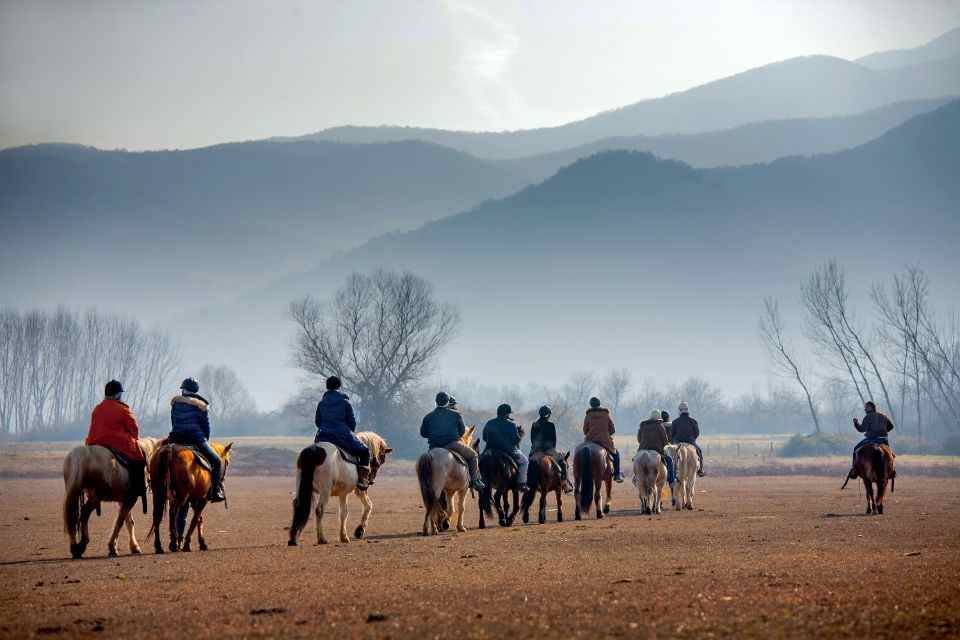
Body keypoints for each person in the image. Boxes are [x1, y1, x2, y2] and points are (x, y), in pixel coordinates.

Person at [85, 380, 146, 503]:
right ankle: (139, 488)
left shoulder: (97, 409)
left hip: (94, 442)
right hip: (117, 443)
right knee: (140, 460)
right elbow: (134, 430)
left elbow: (93, 427)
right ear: (118, 394)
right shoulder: (123, 410)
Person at [168, 377, 226, 502]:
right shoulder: (201, 406)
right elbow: (206, 427)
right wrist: (205, 440)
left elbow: (173, 422)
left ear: (183, 389)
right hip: (195, 438)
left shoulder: (175, 403)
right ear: (195, 391)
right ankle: (215, 491)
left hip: (176, 437)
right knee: (217, 461)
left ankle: (150, 483)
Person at [313, 376, 372, 490]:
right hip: (342, 436)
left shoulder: (321, 403)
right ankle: (361, 480)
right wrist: (348, 431)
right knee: (364, 451)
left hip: (323, 436)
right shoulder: (345, 402)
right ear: (339, 387)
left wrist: (325, 427)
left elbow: (317, 422)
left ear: (327, 387)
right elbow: (352, 423)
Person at [420, 391, 484, 491]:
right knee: (473, 455)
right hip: (452, 444)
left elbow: (423, 433)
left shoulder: (428, 416)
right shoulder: (456, 415)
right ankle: (475, 481)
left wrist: (434, 435)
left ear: (436, 402)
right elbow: (462, 431)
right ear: (447, 402)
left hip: (434, 447)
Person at [482, 404, 529, 492]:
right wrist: (520, 436)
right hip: (508, 451)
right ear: (507, 414)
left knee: (479, 461)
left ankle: (476, 480)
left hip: (490, 450)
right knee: (525, 462)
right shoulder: (511, 424)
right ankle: (522, 484)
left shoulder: (489, 422)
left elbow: (484, 437)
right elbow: (516, 440)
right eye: (508, 414)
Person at [848, 401, 895, 479]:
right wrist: (883, 431)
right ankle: (892, 471)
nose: (865, 409)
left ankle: (854, 470)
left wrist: (856, 423)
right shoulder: (883, 416)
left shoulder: (868, 417)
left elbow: (862, 429)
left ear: (871, 408)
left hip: (871, 440)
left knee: (856, 449)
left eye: (866, 407)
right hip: (883, 440)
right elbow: (891, 426)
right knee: (891, 454)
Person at [582, 397, 623, 482]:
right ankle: (617, 475)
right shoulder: (605, 414)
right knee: (616, 455)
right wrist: (607, 434)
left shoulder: (588, 415)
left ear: (591, 405)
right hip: (604, 441)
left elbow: (585, 430)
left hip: (590, 440)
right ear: (599, 404)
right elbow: (612, 429)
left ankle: (580, 474)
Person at [529, 405, 569, 485]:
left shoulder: (534, 424)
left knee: (528, 464)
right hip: (548, 450)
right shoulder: (551, 424)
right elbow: (554, 440)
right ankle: (564, 482)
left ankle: (527, 482)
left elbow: (532, 439)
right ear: (548, 415)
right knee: (563, 463)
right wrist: (552, 449)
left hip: (535, 451)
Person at [638, 410, 675, 485]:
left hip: (642, 449)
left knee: (636, 461)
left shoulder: (643, 425)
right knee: (669, 460)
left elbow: (639, 439)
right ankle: (671, 480)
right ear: (659, 418)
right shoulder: (660, 425)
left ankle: (635, 478)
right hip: (657, 450)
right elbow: (665, 441)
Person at [671, 401, 704, 477]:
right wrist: (692, 439)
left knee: (671, 455)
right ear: (687, 410)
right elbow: (697, 433)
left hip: (677, 442)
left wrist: (674, 441)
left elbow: (672, 434)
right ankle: (700, 470)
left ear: (679, 410)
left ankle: (672, 470)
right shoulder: (693, 421)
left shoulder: (675, 422)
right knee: (699, 451)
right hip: (690, 442)